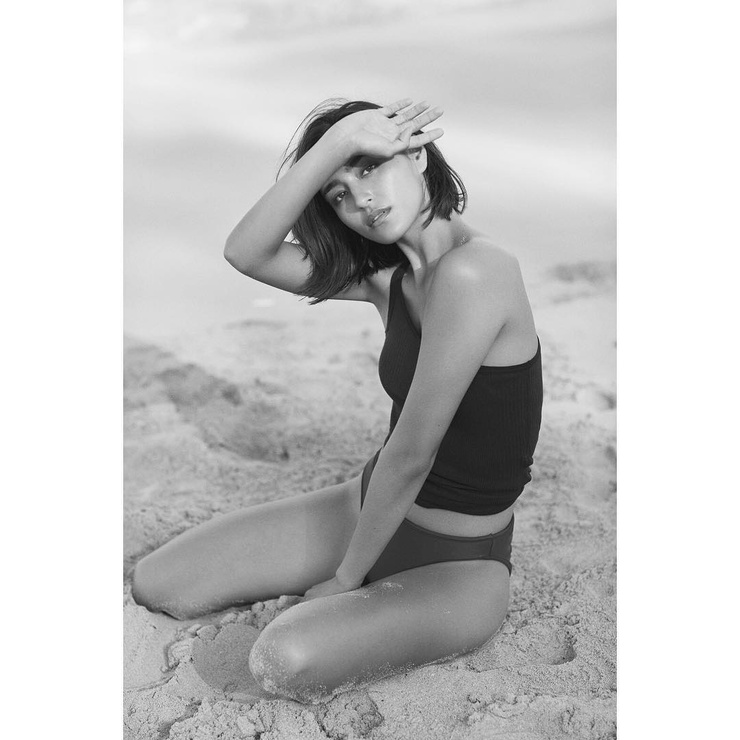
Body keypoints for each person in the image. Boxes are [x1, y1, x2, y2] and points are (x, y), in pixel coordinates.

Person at [132, 98, 543, 703]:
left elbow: (413, 451)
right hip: (365, 508)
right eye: (338, 194)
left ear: (417, 153)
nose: (362, 200)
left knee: (283, 660)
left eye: (371, 167)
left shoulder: (478, 271)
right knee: (159, 582)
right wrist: (335, 146)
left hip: (458, 562)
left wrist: (345, 579)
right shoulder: (388, 280)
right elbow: (247, 253)